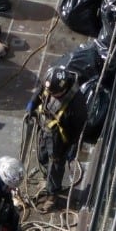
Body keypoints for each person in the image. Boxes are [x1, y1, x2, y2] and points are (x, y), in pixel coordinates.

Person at [25, 65, 89, 211]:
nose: (51, 95)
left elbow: (79, 129)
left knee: (55, 165)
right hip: (45, 129)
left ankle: (52, 195)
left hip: (59, 139)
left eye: (55, 94)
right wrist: (32, 104)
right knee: (42, 157)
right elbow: (41, 90)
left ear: (63, 89)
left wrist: (73, 147)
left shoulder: (77, 104)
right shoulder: (52, 81)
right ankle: (47, 179)